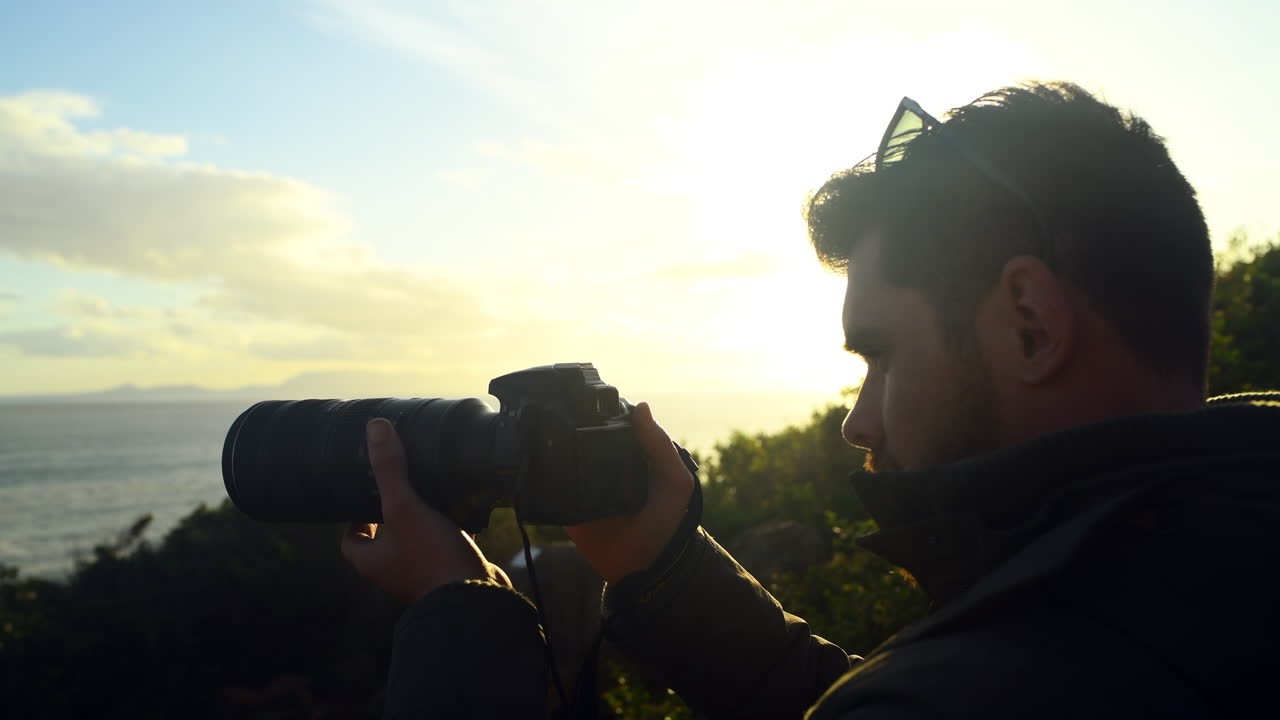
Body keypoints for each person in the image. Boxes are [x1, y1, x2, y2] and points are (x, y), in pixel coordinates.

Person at [341, 82, 1280, 718]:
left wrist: (456, 617)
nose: (858, 422)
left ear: (1030, 324)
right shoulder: (1220, 549)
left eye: (882, 356)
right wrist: (661, 569)